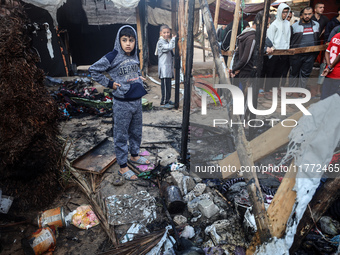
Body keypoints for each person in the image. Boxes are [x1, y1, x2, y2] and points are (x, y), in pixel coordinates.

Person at [88, 25, 150, 181]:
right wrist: (110, 84)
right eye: (124, 40)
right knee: (121, 135)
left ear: (135, 41)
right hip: (122, 103)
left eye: (131, 40)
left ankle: (134, 156)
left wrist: (138, 77)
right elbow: (94, 70)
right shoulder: (113, 55)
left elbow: (134, 69)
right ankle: (123, 167)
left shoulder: (135, 55)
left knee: (136, 131)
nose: (128, 43)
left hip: (136, 101)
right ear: (119, 41)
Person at [289, 7, 320, 93]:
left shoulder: (316, 25)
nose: (307, 16)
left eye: (309, 14)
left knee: (305, 74)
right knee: (294, 73)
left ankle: (301, 91)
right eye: (305, 14)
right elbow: (290, 40)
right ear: (302, 15)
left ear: (312, 14)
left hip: (310, 54)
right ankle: (291, 90)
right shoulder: (294, 26)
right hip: (296, 54)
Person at [264, 3, 291, 92]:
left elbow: (288, 37)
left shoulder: (287, 24)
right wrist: (271, 48)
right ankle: (268, 90)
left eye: (287, 12)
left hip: (284, 52)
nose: (285, 14)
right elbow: (270, 39)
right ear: (279, 12)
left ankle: (274, 89)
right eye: (283, 12)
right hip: (274, 52)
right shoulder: (274, 24)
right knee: (271, 71)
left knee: (279, 72)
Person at [155, 24, 176, 108]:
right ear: (161, 33)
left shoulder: (166, 41)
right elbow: (170, 47)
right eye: (164, 32)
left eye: (168, 32)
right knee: (165, 86)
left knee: (168, 85)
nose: (166, 34)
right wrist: (173, 39)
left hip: (168, 68)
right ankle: (163, 102)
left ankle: (168, 100)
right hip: (164, 69)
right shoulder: (160, 42)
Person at [320, 32, 340, 99]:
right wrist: (330, 67)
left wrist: (329, 66)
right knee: (333, 95)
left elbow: (327, 51)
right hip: (337, 72)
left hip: (329, 71)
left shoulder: (336, 36)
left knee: (325, 93)